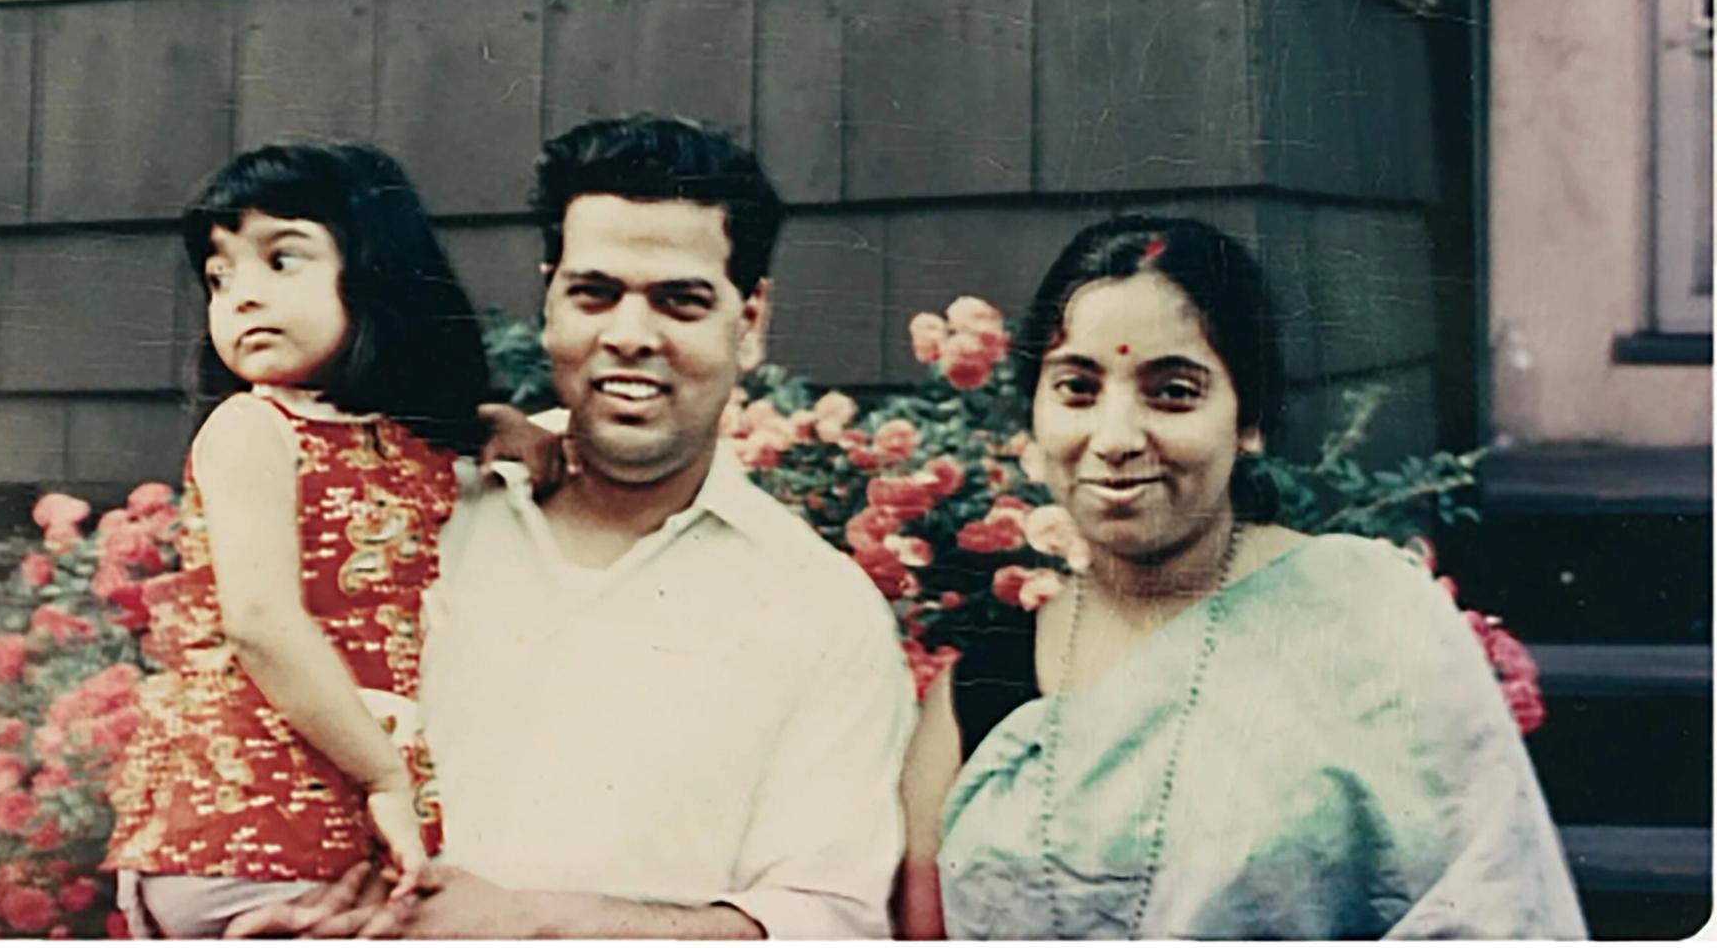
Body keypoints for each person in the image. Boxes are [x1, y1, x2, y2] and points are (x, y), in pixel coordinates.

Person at [225, 116, 916, 939]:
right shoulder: (411, 504)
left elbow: (824, 921)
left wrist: (529, 922)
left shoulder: (821, 611)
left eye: (679, 300)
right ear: (549, 297)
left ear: (752, 318)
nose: (629, 336)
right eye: (595, 292)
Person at [899, 215, 1586, 939]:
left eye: (1172, 392)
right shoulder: (977, 696)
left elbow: (1491, 909)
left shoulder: (1368, 621)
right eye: (1077, 386)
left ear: (1248, 420)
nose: (1116, 438)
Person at [103, 143, 559, 937]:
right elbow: (261, 622)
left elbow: (426, 444)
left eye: (282, 260)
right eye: (221, 276)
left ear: (378, 273)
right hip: (239, 832)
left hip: (331, 831)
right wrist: (385, 775)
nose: (243, 296)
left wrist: (501, 424)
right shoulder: (249, 429)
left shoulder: (395, 438)